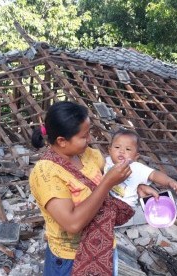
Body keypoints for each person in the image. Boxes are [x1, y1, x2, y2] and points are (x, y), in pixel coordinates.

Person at [29, 101, 134, 276]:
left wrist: (139, 186)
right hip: (70, 259)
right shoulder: (45, 173)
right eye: (84, 136)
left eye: (89, 133)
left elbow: (106, 185)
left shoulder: (88, 155)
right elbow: (72, 223)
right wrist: (107, 182)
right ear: (62, 141)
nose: (89, 139)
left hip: (104, 247)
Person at [105, 128, 177, 209]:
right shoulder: (107, 161)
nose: (121, 151)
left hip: (125, 207)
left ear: (135, 156)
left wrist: (169, 181)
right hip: (109, 201)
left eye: (128, 149)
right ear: (109, 150)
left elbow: (154, 174)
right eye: (117, 147)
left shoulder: (136, 167)